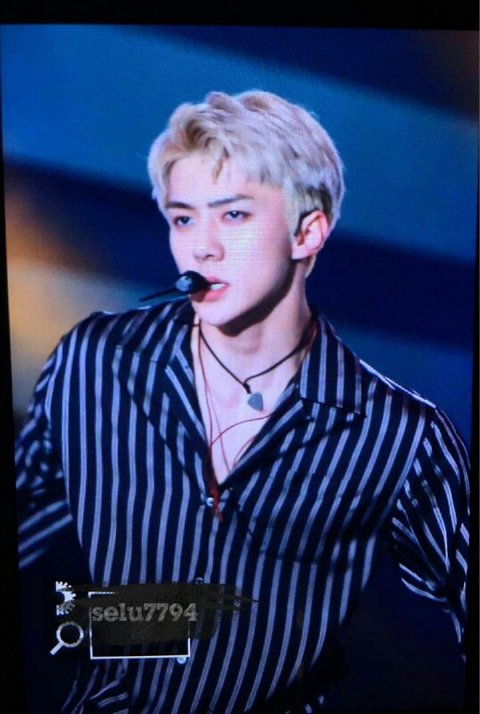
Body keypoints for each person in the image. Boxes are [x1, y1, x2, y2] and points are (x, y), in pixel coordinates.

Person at [15, 90, 470, 713]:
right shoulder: (95, 364)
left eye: (232, 215)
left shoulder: (398, 433)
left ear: (308, 231)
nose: (201, 248)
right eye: (183, 219)